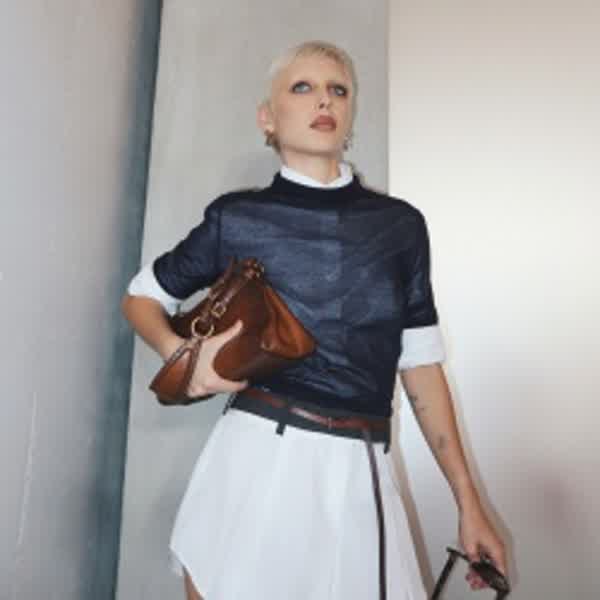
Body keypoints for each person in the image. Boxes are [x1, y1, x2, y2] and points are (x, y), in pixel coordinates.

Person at [122, 40, 507, 600]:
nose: (323, 100)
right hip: (255, 457)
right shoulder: (238, 217)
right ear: (268, 117)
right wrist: (179, 354)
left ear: (349, 113)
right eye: (302, 87)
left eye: (338, 90)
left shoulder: (400, 227)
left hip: (358, 469)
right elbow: (141, 297)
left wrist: (469, 503)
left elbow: (421, 368)